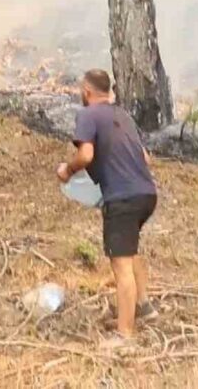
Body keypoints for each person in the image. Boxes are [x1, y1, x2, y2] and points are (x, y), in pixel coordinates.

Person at [56, 69, 159, 351]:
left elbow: (86, 154)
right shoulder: (122, 116)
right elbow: (145, 158)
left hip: (122, 198)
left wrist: (67, 170)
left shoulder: (87, 115)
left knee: (121, 265)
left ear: (87, 91)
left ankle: (125, 336)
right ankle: (143, 306)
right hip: (146, 194)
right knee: (130, 250)